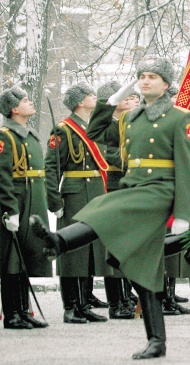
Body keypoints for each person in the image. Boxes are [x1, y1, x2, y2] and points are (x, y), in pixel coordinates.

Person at [32, 55, 190, 359]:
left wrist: (182, 215)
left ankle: (60, 242)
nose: (145, 80)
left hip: (160, 190)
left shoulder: (181, 117)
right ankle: (156, 341)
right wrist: (115, 97)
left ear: (165, 84)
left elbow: (188, 168)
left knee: (107, 208)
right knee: (141, 265)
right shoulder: (131, 117)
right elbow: (96, 131)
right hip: (134, 189)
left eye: (152, 76)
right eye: (142, 76)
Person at [44, 81, 111, 323]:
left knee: (91, 251)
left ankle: (84, 303)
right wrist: (55, 201)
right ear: (80, 102)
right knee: (73, 254)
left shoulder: (92, 126)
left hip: (95, 192)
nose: (96, 97)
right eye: (91, 95)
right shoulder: (63, 130)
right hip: (74, 194)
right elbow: (51, 168)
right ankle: (70, 307)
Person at [0, 86, 52, 329]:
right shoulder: (5, 136)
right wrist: (10, 209)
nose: (30, 103)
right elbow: (3, 176)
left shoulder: (29, 134)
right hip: (16, 202)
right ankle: (12, 314)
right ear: (13, 109)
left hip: (33, 199)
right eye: (25, 100)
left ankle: (24, 310)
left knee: (26, 258)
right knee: (12, 260)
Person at [96, 80, 139, 319]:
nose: (130, 98)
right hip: (114, 184)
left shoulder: (128, 123)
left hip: (131, 184)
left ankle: (126, 296)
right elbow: (109, 154)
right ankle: (116, 302)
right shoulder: (105, 127)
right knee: (115, 244)